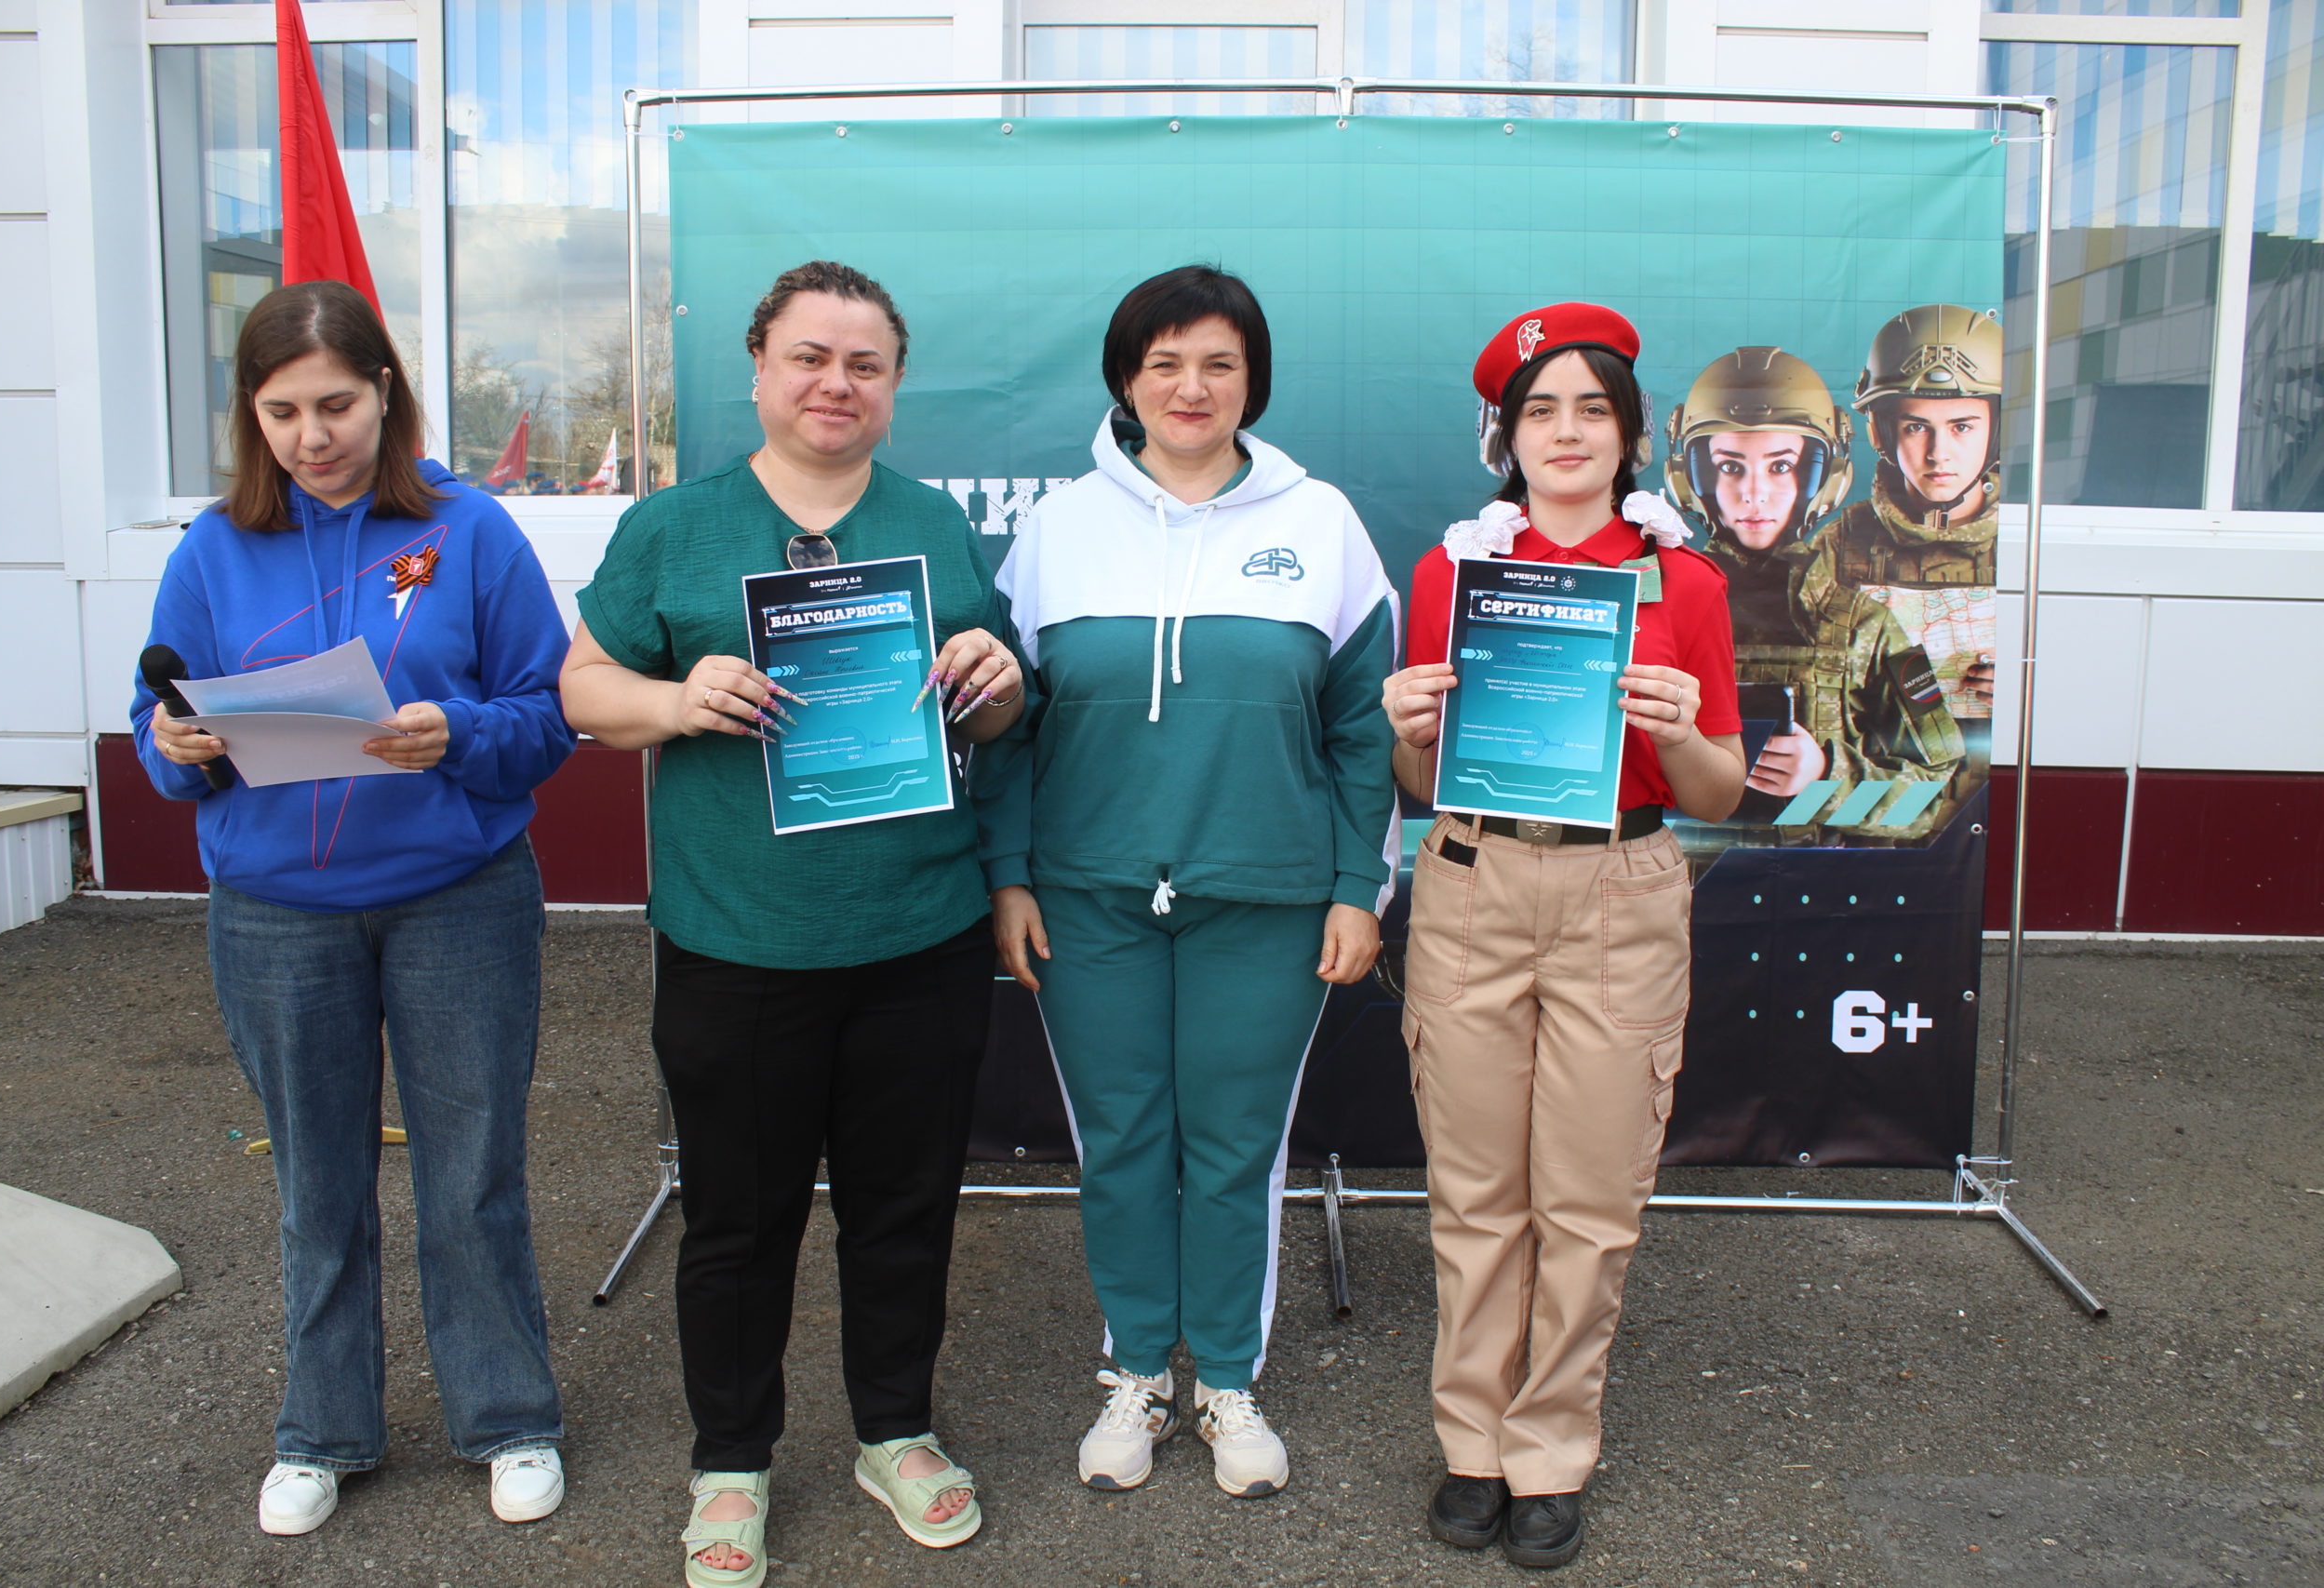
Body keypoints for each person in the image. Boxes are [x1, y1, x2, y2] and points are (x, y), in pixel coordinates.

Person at [558, 260, 1023, 1588]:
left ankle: (895, 1431)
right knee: (737, 1223)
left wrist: (995, 680)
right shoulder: (675, 528)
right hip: (739, 942)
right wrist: (674, 699)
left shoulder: (933, 525)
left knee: (904, 1210)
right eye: (810, 357)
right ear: (760, 368)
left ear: (894, 385)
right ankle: (731, 1461)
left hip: (917, 935)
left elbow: (999, 713)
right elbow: (582, 688)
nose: (836, 383)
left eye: (864, 364)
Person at [132, 280, 575, 1537]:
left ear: (386, 390)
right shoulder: (211, 548)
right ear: (250, 414)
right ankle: (322, 1430)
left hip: (457, 899)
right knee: (315, 1186)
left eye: (335, 404)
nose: (311, 435)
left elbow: (548, 716)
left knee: (471, 1173)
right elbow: (159, 727)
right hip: (276, 913)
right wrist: (178, 743)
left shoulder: (470, 531)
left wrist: (460, 732)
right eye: (281, 412)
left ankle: (509, 1416)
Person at [981, 264, 1397, 1501]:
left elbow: (1362, 734)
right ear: (1126, 379)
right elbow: (1009, 726)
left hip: (1268, 898)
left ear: (1251, 381)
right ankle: (1135, 1373)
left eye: (1218, 363)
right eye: (1163, 363)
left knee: (1233, 1147)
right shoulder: (1058, 528)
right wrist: (1008, 875)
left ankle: (1223, 1375)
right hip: (1088, 895)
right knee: (1120, 1141)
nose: (1190, 387)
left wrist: (1356, 886)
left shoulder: (1321, 523)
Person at [1381, 303, 1745, 1568]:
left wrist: (1683, 730)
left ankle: (1548, 1449)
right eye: (1540, 409)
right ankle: (1471, 1442)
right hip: (1475, 879)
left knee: (1588, 1201)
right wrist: (1409, 728)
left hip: (1618, 888)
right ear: (1507, 435)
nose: (1568, 431)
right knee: (1476, 1192)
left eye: (1594, 407)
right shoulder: (1454, 573)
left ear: (1632, 432)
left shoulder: (1685, 581)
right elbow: (1418, 781)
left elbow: (1717, 792)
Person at [1663, 346, 1963, 826]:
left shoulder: (1867, 627)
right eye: (1730, 466)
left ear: (1820, 476)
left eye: (1781, 466)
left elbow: (1936, 795)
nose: (1754, 493)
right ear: (1692, 477)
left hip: (1819, 869)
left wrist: (1825, 775)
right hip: (1668, 865)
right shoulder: (1655, 609)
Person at [1810, 304, 2002, 724]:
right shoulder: (1839, 545)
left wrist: (2038, 687)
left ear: (1997, 432)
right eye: (1916, 427)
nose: (1938, 453)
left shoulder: (2030, 549)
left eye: (1962, 427)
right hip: (1873, 760)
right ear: (1882, 432)